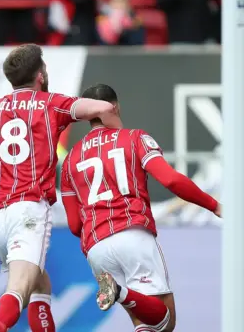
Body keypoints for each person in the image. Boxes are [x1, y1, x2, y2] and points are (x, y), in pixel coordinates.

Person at [0, 44, 123, 332]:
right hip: (27, 211)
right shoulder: (50, 103)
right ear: (40, 74)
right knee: (20, 286)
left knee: (39, 282)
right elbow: (103, 108)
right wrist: (117, 139)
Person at [60, 84, 221, 332]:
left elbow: (74, 225)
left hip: (96, 247)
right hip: (132, 233)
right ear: (115, 107)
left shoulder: (71, 158)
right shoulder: (135, 138)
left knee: (144, 324)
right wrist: (213, 205)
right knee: (166, 321)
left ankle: (119, 291)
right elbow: (171, 180)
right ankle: (121, 292)